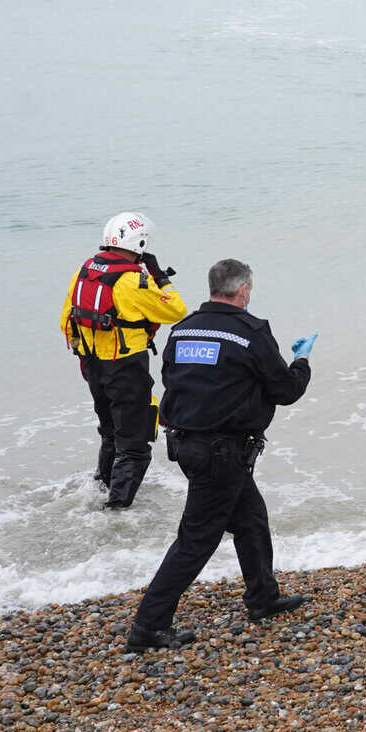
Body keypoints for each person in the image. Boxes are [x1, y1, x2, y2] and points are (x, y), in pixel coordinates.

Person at [126, 258, 313, 650]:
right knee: (195, 541)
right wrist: (302, 362)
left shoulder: (181, 331)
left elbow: (174, 381)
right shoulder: (251, 332)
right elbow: (285, 390)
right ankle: (147, 627)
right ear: (243, 290)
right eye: (249, 289)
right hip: (222, 452)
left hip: (187, 444)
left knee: (251, 520)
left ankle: (263, 597)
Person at [60, 212, 187, 509]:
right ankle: (116, 511)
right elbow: (176, 311)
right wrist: (160, 276)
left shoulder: (86, 270)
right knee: (135, 445)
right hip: (126, 368)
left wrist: (86, 357)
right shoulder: (132, 280)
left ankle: (101, 487)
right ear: (139, 241)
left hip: (94, 366)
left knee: (110, 433)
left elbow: (67, 320)